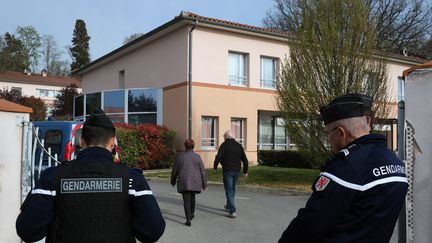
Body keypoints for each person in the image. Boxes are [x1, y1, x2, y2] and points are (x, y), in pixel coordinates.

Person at [16, 109, 166, 243]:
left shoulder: (52, 178)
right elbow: (153, 232)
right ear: (113, 142)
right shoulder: (132, 180)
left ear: (81, 141)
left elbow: (28, 231)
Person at [278, 94, 408, 243]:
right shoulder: (395, 164)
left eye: (327, 133)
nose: (328, 139)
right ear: (368, 122)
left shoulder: (346, 167)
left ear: (341, 132)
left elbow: (310, 224)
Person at [171, 139, 207, 226]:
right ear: (193, 146)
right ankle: (191, 214)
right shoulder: (197, 157)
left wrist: (173, 180)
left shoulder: (180, 156)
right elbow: (202, 171)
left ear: (185, 146)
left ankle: (188, 220)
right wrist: (204, 184)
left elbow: (175, 170)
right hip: (195, 182)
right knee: (193, 197)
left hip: (184, 181)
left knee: (186, 200)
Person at [213, 130, 249, 218]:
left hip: (227, 170)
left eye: (224, 137)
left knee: (229, 189)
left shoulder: (224, 145)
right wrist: (245, 171)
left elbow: (218, 157)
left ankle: (232, 211)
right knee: (232, 188)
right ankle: (229, 205)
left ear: (226, 137)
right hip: (237, 170)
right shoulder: (239, 146)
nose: (224, 138)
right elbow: (245, 160)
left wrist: (215, 167)